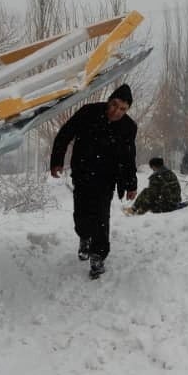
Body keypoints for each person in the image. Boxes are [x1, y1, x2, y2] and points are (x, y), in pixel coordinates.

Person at [50, 83, 138, 278]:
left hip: (107, 178)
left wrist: (131, 183)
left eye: (123, 109)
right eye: (114, 105)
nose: (116, 111)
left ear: (127, 110)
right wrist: (57, 160)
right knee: (81, 213)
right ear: (109, 101)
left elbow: (128, 156)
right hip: (82, 173)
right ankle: (84, 237)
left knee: (101, 217)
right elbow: (65, 134)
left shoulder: (128, 127)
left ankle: (98, 256)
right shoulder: (89, 112)